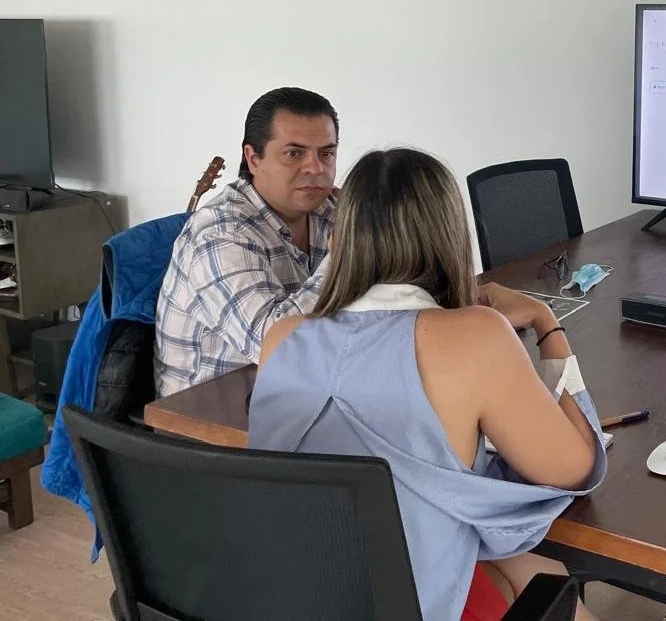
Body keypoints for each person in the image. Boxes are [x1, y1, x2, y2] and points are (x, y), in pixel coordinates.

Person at [248, 148, 607, 621]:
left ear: (342, 238)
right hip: (405, 602)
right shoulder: (476, 334)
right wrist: (544, 320)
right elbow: (575, 468)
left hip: (295, 596)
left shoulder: (281, 338)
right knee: (538, 570)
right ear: (450, 238)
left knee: (528, 568)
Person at [154, 87, 340, 397]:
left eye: (326, 153)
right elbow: (275, 348)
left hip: (300, 391)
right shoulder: (219, 234)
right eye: (294, 154)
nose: (316, 168)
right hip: (210, 415)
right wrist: (346, 253)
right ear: (253, 159)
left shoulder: (330, 211)